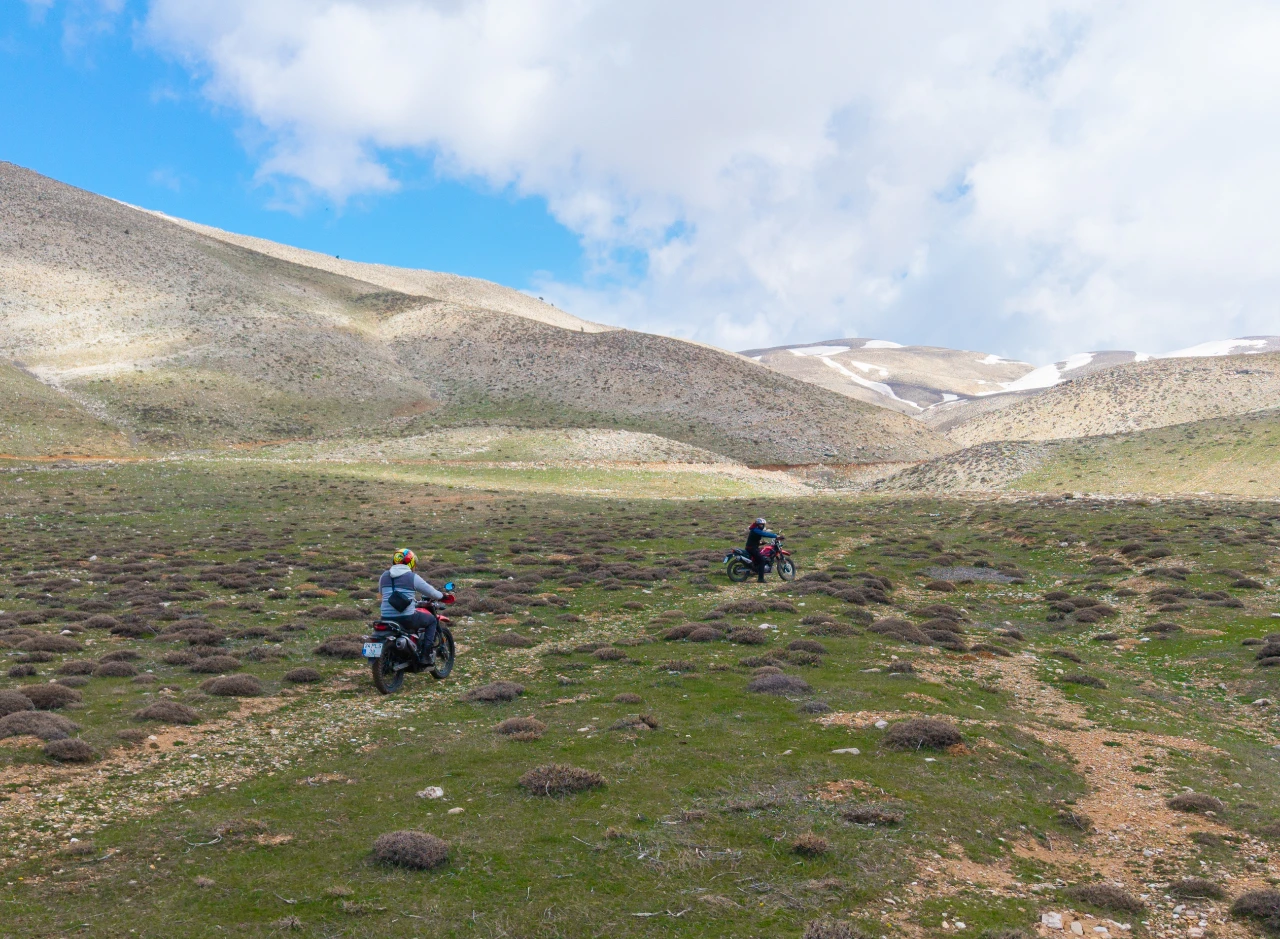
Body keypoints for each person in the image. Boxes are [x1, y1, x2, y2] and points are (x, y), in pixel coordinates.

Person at [378, 548, 444, 659]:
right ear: (411, 562)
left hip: (385, 618)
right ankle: (425, 656)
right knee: (432, 621)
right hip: (406, 618)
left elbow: (381, 593)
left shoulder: (384, 576)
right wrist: (442, 595)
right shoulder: (412, 577)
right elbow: (433, 593)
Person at [745, 518, 780, 583]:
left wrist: (761, 543)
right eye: (761, 524)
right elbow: (764, 534)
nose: (762, 526)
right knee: (762, 560)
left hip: (752, 547)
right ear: (757, 525)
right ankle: (760, 579)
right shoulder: (755, 530)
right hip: (752, 548)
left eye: (763, 525)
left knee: (761, 555)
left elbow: (754, 540)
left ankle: (756, 569)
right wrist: (775, 536)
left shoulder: (755, 529)